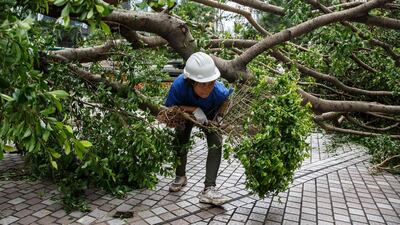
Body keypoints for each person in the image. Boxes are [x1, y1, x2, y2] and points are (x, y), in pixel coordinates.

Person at [164, 52, 232, 205]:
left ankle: (209, 189)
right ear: (190, 81)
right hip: (185, 114)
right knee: (180, 139)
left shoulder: (218, 90)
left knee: (216, 143)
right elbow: (170, 108)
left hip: (209, 116)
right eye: (203, 84)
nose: (208, 88)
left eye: (211, 83)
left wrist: (219, 117)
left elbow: (226, 100)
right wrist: (192, 109)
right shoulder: (179, 86)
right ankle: (180, 176)